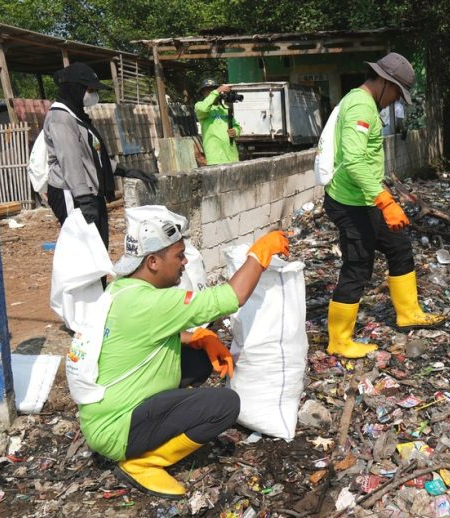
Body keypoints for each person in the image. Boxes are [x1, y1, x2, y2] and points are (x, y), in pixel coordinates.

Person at [77, 213, 289, 499]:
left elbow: (139, 338)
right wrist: (258, 255)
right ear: (152, 262)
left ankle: (153, 431)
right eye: (179, 256)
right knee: (225, 405)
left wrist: (199, 337)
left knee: (198, 358)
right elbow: (231, 297)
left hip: (104, 413)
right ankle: (141, 462)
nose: (185, 262)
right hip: (118, 429)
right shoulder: (152, 302)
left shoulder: (122, 290)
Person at [323, 52, 445, 359]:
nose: (394, 101)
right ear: (385, 83)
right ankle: (339, 340)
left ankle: (409, 313)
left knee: (398, 245)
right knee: (358, 266)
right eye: (396, 94)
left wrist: (381, 196)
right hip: (350, 203)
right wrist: (385, 200)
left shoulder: (363, 103)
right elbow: (352, 160)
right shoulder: (361, 106)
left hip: (365, 199)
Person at [44, 62, 157, 246]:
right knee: (86, 251)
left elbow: (91, 156)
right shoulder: (61, 118)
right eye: (89, 89)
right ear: (75, 88)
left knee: (99, 247)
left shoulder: (77, 115)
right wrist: (83, 198)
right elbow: (70, 160)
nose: (93, 94)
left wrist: (123, 170)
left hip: (87, 192)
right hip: (72, 193)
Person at [194, 79, 242, 165]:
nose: (211, 92)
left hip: (232, 157)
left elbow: (237, 126)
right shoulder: (199, 106)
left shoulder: (224, 109)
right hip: (215, 159)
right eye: (208, 91)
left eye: (213, 89)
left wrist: (235, 131)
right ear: (203, 93)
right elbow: (204, 108)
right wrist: (217, 91)